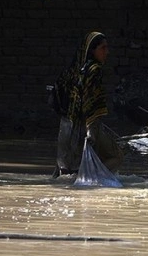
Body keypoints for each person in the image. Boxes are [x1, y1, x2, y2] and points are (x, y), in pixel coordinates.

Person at [53, 31, 124, 178]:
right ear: (92, 50)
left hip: (66, 127)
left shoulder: (72, 71)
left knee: (67, 168)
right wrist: (91, 130)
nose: (107, 52)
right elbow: (90, 101)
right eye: (103, 48)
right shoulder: (94, 70)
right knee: (116, 157)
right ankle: (92, 179)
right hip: (87, 125)